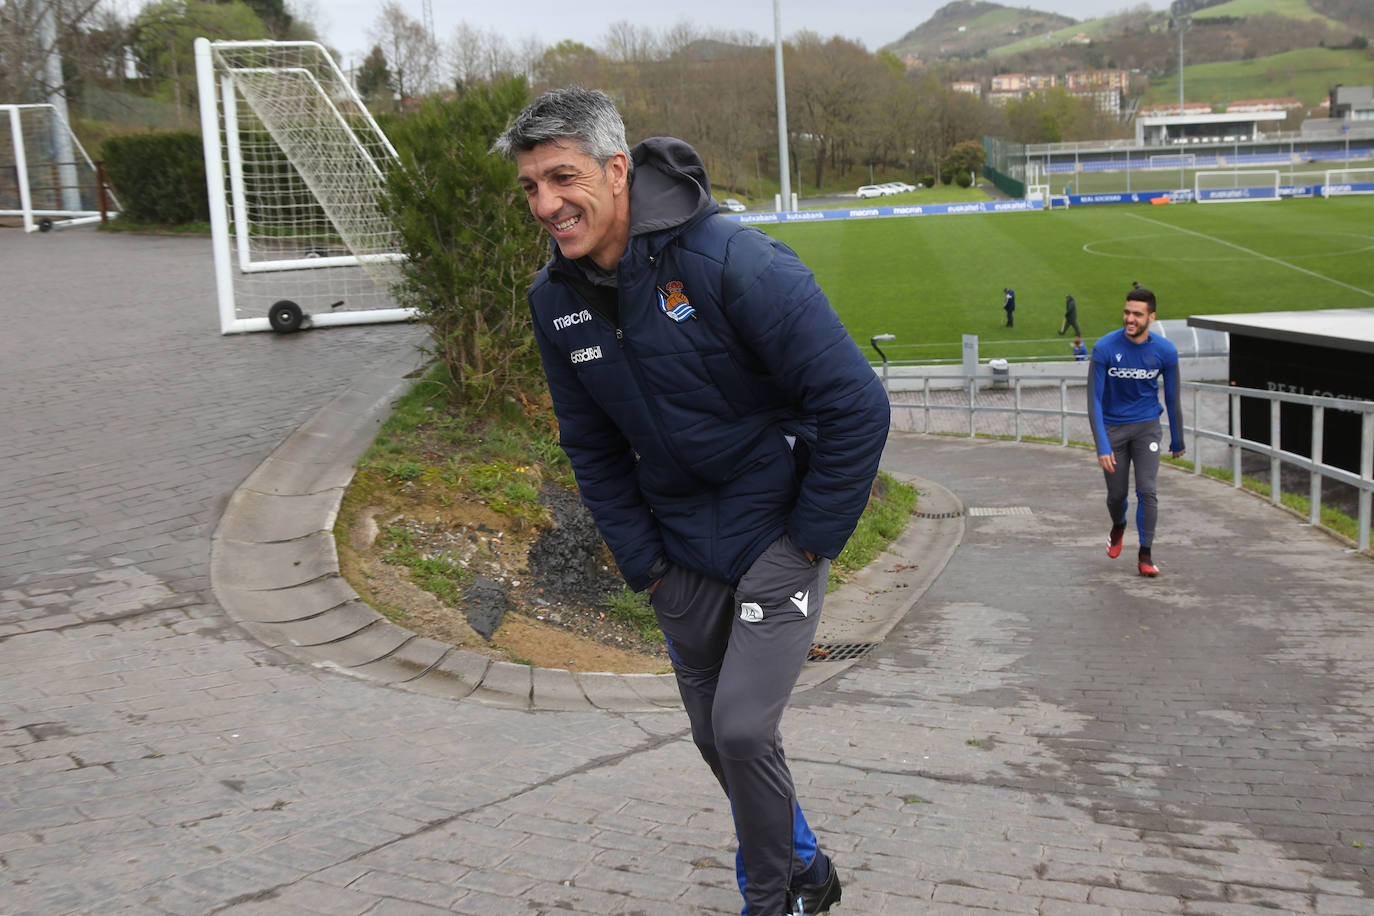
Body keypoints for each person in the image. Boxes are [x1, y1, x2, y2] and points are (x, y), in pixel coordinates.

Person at [494, 88, 889, 916]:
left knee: (743, 731)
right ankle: (808, 862)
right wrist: (647, 567)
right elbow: (592, 447)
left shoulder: (732, 262)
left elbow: (856, 405)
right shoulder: (554, 300)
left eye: (562, 178)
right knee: (719, 741)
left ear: (614, 169)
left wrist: (809, 543)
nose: (546, 204)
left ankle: (776, 899)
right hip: (678, 556)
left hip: (773, 538)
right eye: (530, 186)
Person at [1087, 288, 1185, 577]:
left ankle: (1145, 554)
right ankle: (1119, 525)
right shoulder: (1105, 347)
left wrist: (1178, 439)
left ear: (1151, 317)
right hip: (1113, 429)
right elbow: (1093, 399)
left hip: (1147, 428)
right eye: (1127, 312)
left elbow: (1172, 398)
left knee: (1148, 489)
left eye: (1137, 314)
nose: (1130, 318)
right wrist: (1102, 445)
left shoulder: (1165, 351)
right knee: (1116, 495)